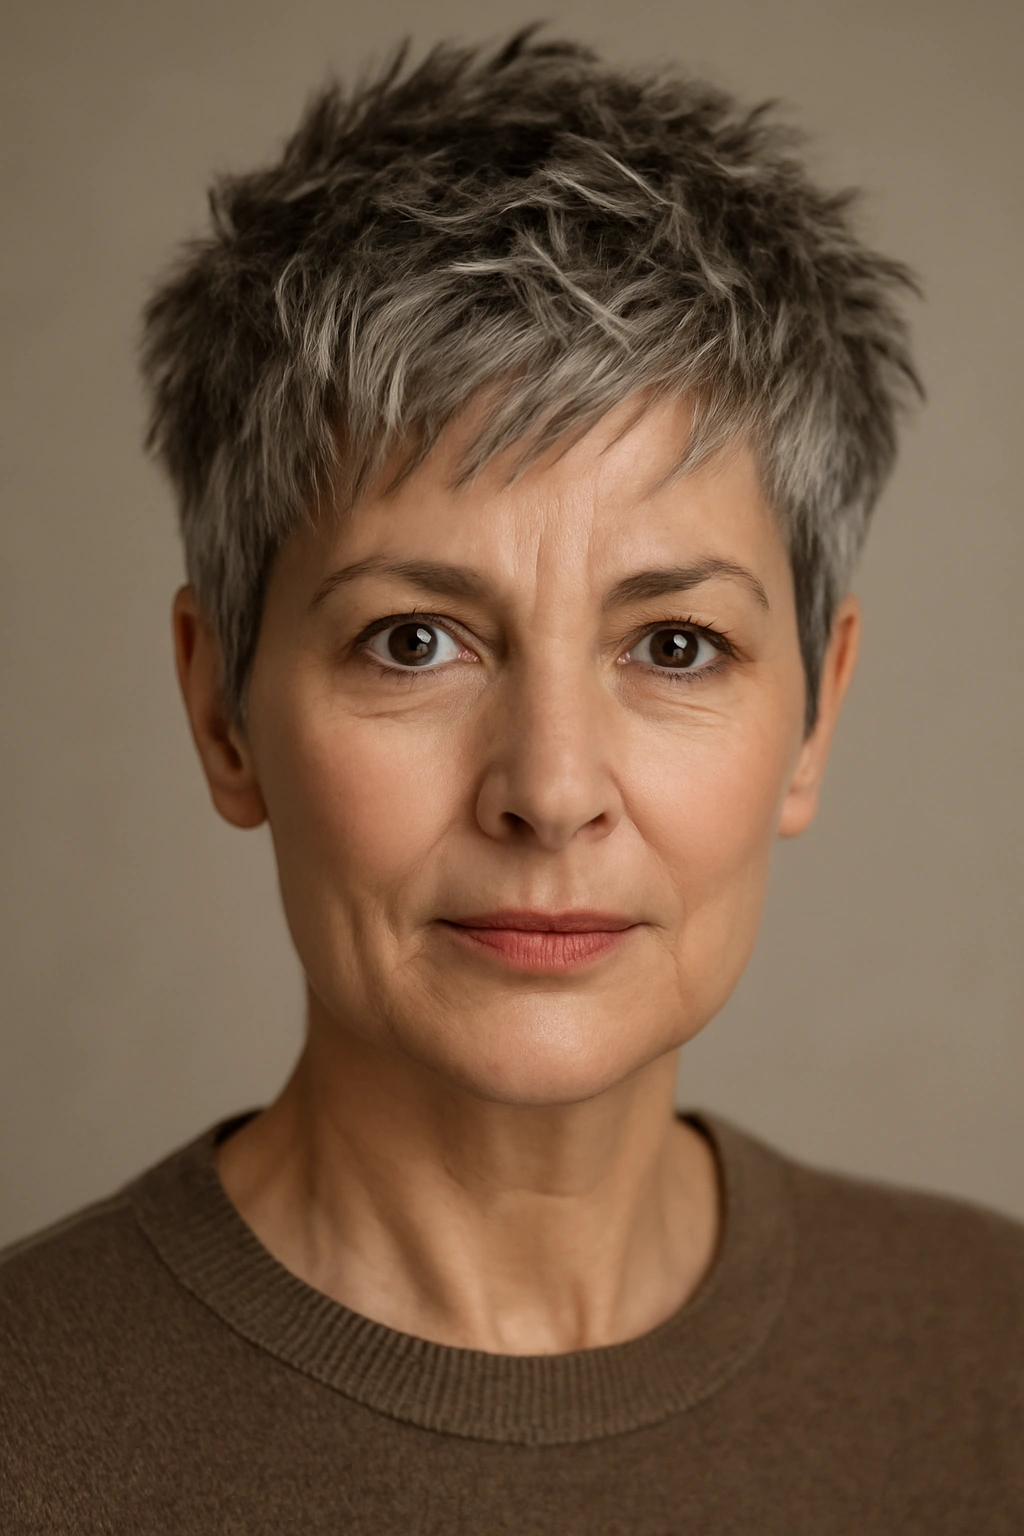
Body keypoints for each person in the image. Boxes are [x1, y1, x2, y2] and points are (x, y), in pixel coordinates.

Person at [1, 29, 1021, 1534]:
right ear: (221, 705)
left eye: (674, 643)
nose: (550, 788)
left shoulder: (993, 1362)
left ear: (814, 721)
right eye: (415, 639)